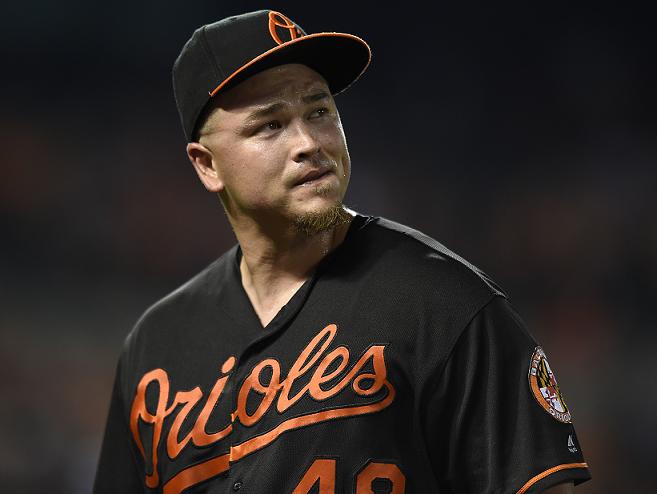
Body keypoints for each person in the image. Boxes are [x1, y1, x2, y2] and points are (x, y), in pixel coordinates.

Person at [93, 9, 591, 494]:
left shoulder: (445, 307)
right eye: (270, 125)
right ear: (206, 166)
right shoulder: (155, 345)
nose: (309, 142)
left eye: (319, 110)